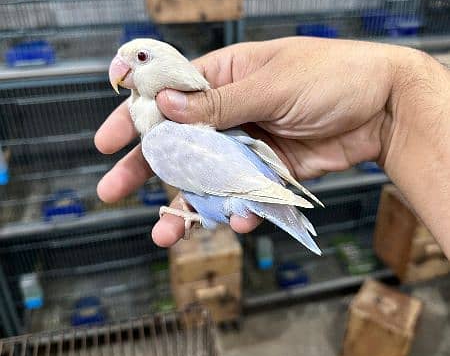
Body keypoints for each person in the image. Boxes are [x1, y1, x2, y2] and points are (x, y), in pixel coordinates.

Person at [95, 37, 450, 256]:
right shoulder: (175, 128)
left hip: (248, 188)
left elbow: (226, 178)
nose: (122, 66)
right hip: (254, 180)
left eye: (140, 58)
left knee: (226, 212)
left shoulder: (161, 139)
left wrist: (196, 213)